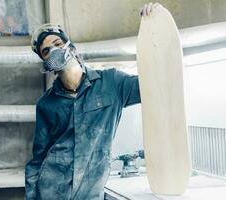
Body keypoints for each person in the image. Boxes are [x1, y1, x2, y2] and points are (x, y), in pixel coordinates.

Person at [25, 2, 159, 199]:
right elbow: (38, 159)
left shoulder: (112, 83)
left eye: (57, 44)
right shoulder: (47, 104)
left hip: (90, 194)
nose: (54, 51)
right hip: (52, 192)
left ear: (70, 46)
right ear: (46, 63)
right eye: (46, 51)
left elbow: (154, 85)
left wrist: (153, 27)